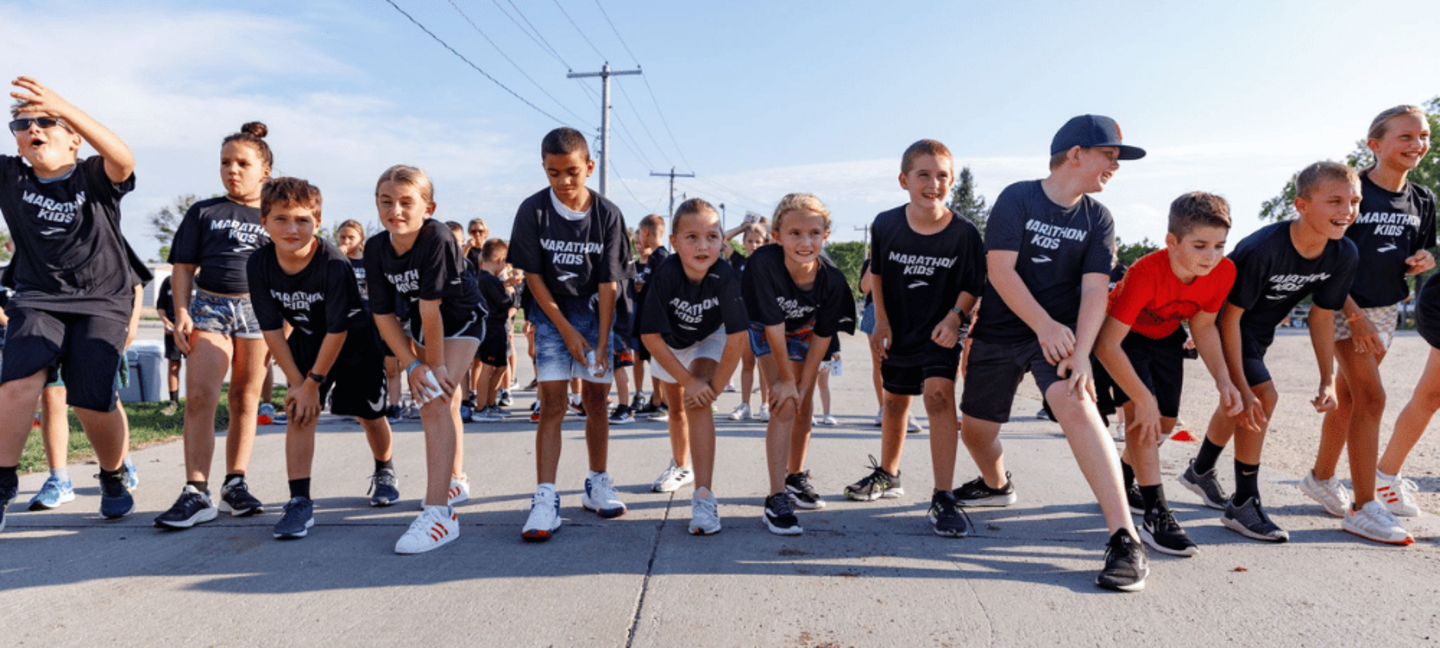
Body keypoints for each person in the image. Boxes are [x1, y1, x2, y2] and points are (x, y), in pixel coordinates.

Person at [955, 115, 1148, 591]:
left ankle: (1125, 538)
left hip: (1061, 338)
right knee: (976, 432)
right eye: (1110, 155)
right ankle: (997, 485)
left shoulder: (1098, 218)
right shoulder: (1018, 197)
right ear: (1075, 153)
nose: (1116, 166)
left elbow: (1094, 292)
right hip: (1004, 331)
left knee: (1079, 404)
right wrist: (1041, 323)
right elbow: (1000, 271)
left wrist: (1081, 355)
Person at [1179, 161, 1361, 544]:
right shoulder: (1263, 249)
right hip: (1224, 326)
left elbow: (1322, 316)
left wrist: (1327, 378)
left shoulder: (1343, 253)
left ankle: (1200, 470)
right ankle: (1244, 502)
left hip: (1258, 334)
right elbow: (1229, 319)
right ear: (1302, 205)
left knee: (1241, 403)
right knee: (1260, 397)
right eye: (1335, 201)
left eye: (1354, 201)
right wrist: (1243, 385)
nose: (1347, 210)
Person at [0, 76, 139, 529]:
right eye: (21, 124)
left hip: (102, 298)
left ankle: (113, 475)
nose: (32, 129)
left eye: (46, 121)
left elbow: (124, 158)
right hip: (38, 298)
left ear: (75, 139)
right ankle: (3, 483)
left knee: (90, 397)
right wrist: (46, 113)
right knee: (18, 383)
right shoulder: (12, 177)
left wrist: (66, 105)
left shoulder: (93, 176)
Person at [1305, 106, 1434, 544]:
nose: (1417, 144)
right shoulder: (1353, 194)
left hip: (1385, 310)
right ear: (1374, 144)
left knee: (1350, 400)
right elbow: (1328, 258)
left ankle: (1321, 479)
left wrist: (1424, 260)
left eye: (1424, 136)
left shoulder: (1423, 199)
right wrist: (1354, 316)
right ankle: (1364, 507)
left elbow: (1420, 251)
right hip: (1344, 306)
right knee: (1373, 398)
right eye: (1406, 136)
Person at [247, 177, 401, 540]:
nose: (292, 228)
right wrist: (298, 384)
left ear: (317, 222)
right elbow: (271, 328)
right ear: (264, 221)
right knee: (299, 412)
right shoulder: (259, 263)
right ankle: (299, 501)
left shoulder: (332, 263)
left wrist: (313, 382)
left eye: (302, 219)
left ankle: (384, 469)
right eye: (281, 219)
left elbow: (338, 330)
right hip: (306, 339)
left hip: (353, 339)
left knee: (370, 414)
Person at [847, 139, 986, 540]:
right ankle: (889, 475)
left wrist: (954, 316)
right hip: (899, 327)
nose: (933, 183)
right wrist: (881, 321)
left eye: (942, 175)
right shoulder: (886, 224)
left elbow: (972, 285)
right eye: (923, 175)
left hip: (942, 328)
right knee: (894, 402)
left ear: (952, 181)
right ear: (904, 180)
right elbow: (876, 273)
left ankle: (943, 495)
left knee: (939, 397)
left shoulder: (964, 233)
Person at [1093, 191, 1240, 557]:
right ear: (1172, 242)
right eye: (1201, 245)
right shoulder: (1145, 273)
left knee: (1164, 425)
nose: (1211, 256)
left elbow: (1204, 327)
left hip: (1165, 338)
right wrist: (1141, 397)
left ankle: (1124, 478)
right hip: (1123, 341)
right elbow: (1106, 345)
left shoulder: (1224, 272)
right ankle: (1156, 514)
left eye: (1220, 246)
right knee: (1144, 419)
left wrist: (1224, 380)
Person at [507, 127, 632, 541]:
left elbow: (610, 284)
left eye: (572, 172)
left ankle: (597, 483)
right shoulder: (533, 211)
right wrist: (564, 330)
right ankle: (545, 497)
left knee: (597, 398)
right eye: (553, 172)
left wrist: (598, 339)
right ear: (544, 169)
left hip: (597, 314)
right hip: (551, 314)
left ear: (589, 167)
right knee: (553, 403)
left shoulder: (608, 215)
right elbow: (534, 277)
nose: (563, 181)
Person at [155, 122, 273, 529]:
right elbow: (183, 267)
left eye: (243, 163)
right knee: (201, 397)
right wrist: (182, 311)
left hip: (259, 312)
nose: (232, 170)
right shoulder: (203, 211)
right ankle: (196, 491)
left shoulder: (275, 214)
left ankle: (235, 484)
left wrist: (286, 327)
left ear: (265, 171)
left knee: (245, 398)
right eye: (225, 162)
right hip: (209, 308)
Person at [367, 165, 484, 553]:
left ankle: (440, 515)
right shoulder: (375, 248)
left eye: (406, 202)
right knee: (439, 399)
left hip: (461, 316)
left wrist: (430, 369)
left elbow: (432, 309)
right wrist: (412, 365)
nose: (395, 210)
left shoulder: (435, 236)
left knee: (435, 398)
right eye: (386, 202)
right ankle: (456, 478)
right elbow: (384, 316)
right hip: (423, 322)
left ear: (428, 207)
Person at [742, 192, 856, 535]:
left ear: (825, 235)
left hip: (807, 332)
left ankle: (795, 476)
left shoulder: (833, 280)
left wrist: (804, 384)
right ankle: (775, 498)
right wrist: (787, 383)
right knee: (784, 404)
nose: (805, 241)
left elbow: (822, 336)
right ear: (777, 236)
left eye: (814, 233)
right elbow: (774, 328)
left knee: (803, 403)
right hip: (767, 328)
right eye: (795, 233)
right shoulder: (764, 263)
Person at [639, 198, 747, 533]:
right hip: (668, 342)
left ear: (722, 241)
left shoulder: (725, 276)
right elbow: (650, 336)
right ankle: (680, 466)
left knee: (697, 404)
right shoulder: (665, 274)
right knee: (676, 409)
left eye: (712, 237)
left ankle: (704, 496)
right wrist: (688, 380)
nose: (703, 246)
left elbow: (738, 337)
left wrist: (711, 388)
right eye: (692, 238)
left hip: (708, 338)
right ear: (674, 242)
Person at [469, 238, 519, 422]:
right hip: (491, 330)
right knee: (488, 367)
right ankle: (482, 408)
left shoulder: (488, 279)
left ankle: (491, 403)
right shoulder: (488, 280)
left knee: (501, 367)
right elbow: (505, 302)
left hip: (496, 329)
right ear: (500, 260)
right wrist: (511, 292)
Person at [726, 221, 770, 422]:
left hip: (764, 320)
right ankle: (745, 405)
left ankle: (765, 404)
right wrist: (742, 227)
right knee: (747, 364)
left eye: (758, 242)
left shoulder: (770, 263)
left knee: (764, 365)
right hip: (744, 320)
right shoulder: (738, 261)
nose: (753, 245)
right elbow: (723, 240)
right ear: (744, 242)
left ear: (764, 243)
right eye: (750, 241)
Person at [631, 214, 670, 421]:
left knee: (661, 361)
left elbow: (664, 293)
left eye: (641, 234)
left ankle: (665, 402)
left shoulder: (662, 258)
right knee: (652, 361)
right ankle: (656, 400)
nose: (639, 240)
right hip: (647, 320)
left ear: (646, 232)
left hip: (658, 322)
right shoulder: (653, 258)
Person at [155, 274, 185, 414]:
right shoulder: (169, 281)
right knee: (174, 365)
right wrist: (166, 322)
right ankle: (174, 402)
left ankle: (195, 401)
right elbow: (161, 306)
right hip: (173, 330)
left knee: (196, 367)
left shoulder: (201, 280)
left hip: (194, 330)